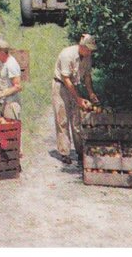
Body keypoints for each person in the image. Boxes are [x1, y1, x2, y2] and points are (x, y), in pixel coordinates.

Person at [52, 34, 99, 165]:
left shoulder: (87, 57)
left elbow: (87, 76)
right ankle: (65, 153)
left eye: (91, 50)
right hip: (61, 86)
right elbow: (66, 79)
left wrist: (91, 93)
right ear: (81, 46)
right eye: (88, 49)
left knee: (77, 119)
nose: (90, 52)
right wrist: (78, 98)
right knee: (62, 119)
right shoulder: (67, 55)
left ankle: (80, 151)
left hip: (74, 85)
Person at [0, 38, 22, 120]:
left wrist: (1, 94)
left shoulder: (11, 64)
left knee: (11, 130)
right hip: (6, 103)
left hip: (11, 105)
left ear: (1, 52)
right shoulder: (5, 63)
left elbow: (18, 87)